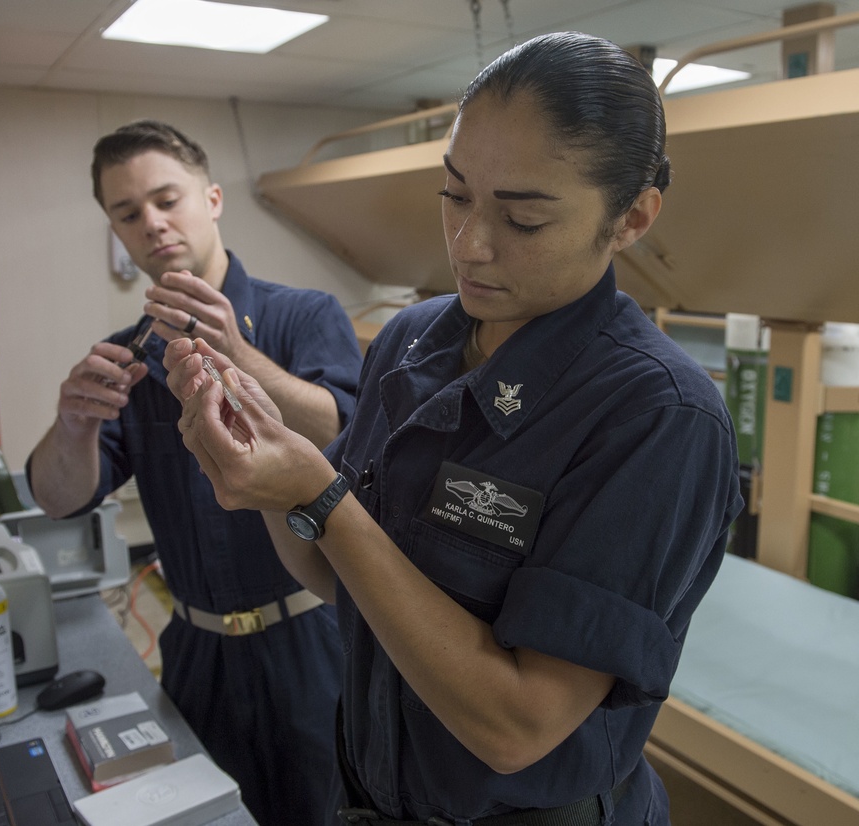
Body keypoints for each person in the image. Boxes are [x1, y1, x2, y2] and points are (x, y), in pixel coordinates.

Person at [163, 32, 744, 826]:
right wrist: (269, 474)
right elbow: (336, 576)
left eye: (525, 219)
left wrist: (320, 496)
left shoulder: (655, 416)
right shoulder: (413, 342)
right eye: (454, 193)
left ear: (632, 218)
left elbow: (519, 725)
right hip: (367, 797)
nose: (469, 245)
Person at [26, 120, 363, 826]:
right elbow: (60, 499)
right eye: (128, 213)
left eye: (166, 199)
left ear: (211, 199)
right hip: (196, 657)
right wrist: (74, 422)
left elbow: (344, 429)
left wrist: (239, 357)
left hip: (310, 647)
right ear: (116, 232)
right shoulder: (129, 358)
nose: (151, 223)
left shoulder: (304, 316)